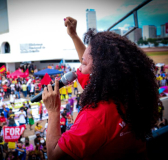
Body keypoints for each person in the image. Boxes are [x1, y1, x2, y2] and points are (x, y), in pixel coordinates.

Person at [41, 17, 159, 160]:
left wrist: (53, 111)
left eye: (83, 64)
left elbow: (54, 156)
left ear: (100, 71)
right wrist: (74, 35)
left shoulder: (95, 117)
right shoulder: (123, 91)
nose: (79, 68)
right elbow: (90, 60)